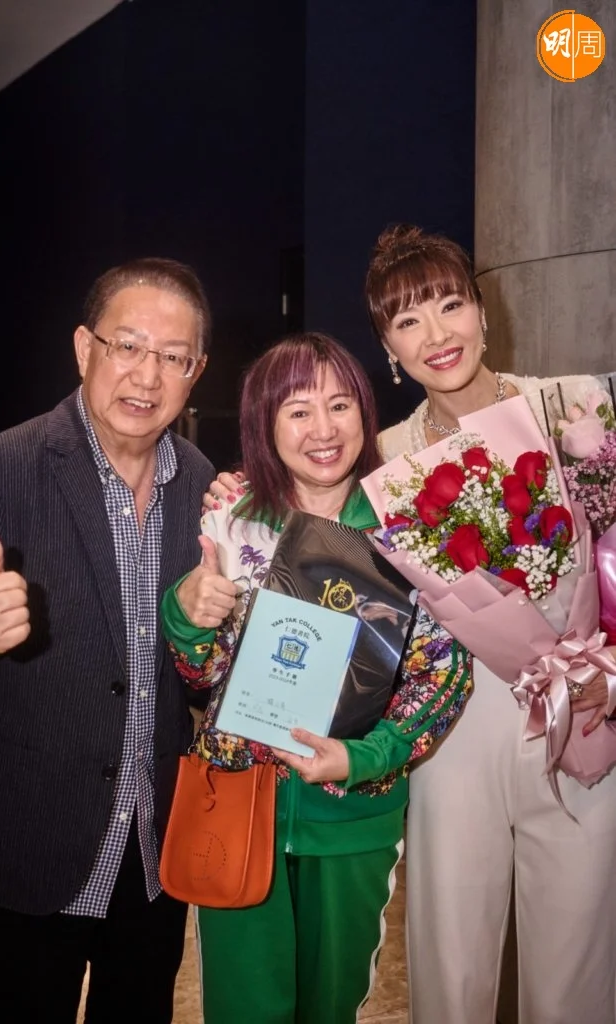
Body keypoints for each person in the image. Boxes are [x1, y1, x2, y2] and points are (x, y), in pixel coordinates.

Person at [207, 226, 616, 1024]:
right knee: (450, 963)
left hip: (582, 715)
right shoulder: (381, 461)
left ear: (483, 312)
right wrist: (234, 497)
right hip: (450, 733)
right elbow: (300, 528)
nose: (435, 334)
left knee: (577, 967)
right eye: (406, 320)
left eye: (450, 305)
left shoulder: (575, 409)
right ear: (388, 349)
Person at [0, 257, 215, 1023]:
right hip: (31, 841)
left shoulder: (202, 485)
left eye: (173, 357)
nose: (147, 376)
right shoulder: (0, 468)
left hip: (152, 850)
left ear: (196, 371)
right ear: (85, 348)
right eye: (128, 346)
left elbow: (197, 672)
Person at [162, 332, 471, 1024]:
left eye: (339, 405)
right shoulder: (232, 520)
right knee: (244, 1010)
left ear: (365, 412)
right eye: (298, 411)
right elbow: (199, 673)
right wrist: (186, 615)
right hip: (237, 811)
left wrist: (362, 758)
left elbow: (442, 677)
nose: (323, 430)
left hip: (352, 819)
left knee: (332, 1008)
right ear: (265, 424)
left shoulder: (408, 528)